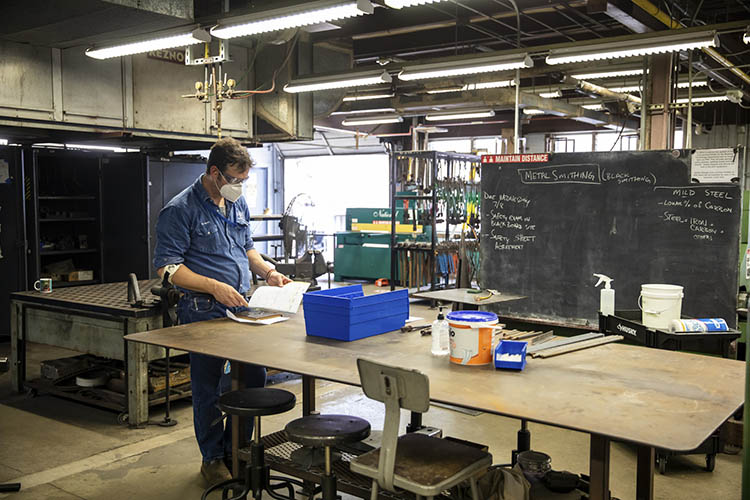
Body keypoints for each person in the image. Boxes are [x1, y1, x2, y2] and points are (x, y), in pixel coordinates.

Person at [153, 137, 292, 486]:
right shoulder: (180, 209)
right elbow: (167, 268)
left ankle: (238, 450)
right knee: (209, 386)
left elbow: (246, 248)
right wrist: (214, 286)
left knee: (254, 377)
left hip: (242, 306)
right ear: (214, 173)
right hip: (202, 310)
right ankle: (212, 459)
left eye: (244, 180)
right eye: (234, 179)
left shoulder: (237, 203)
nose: (239, 186)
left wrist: (269, 272)